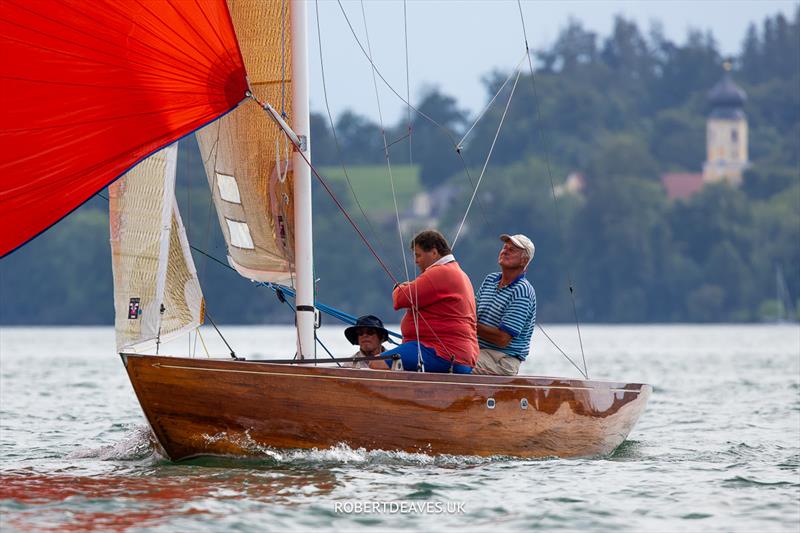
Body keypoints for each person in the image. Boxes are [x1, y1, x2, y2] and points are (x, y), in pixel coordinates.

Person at [382, 230, 479, 373]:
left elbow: (400, 299)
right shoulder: (458, 273)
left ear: (434, 252)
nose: (416, 261)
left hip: (439, 352)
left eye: (418, 255)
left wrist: (398, 287)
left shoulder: (441, 272)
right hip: (456, 354)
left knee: (376, 363)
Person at [473, 234, 537, 376]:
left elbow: (502, 339)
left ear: (524, 260)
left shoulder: (522, 291)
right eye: (504, 248)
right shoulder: (490, 280)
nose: (505, 251)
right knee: (437, 354)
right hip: (478, 350)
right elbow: (472, 313)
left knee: (454, 363)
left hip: (502, 359)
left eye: (512, 250)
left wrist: (468, 324)